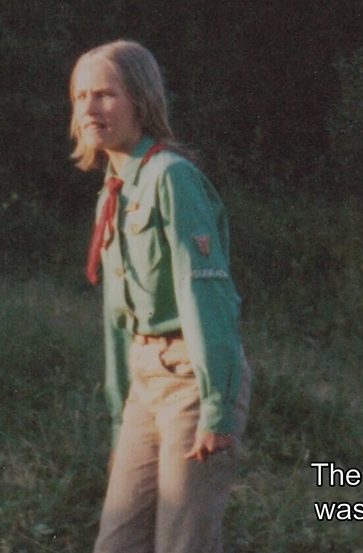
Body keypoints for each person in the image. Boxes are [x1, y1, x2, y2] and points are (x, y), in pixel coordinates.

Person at [70, 39, 250, 552]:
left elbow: (207, 294)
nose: (90, 108)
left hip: (192, 379)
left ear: (141, 100)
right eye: (81, 96)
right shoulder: (114, 190)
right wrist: (119, 412)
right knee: (116, 543)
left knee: (183, 543)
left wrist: (216, 407)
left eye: (105, 94)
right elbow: (116, 317)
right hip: (144, 386)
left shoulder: (172, 178)